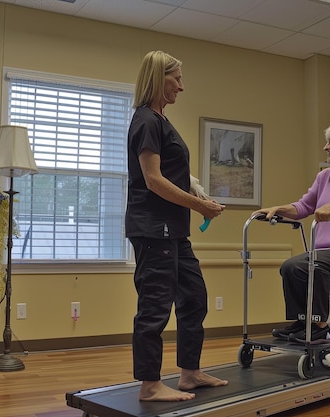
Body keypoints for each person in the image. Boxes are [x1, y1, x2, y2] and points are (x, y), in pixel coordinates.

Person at [125, 50, 228, 402]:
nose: (182, 87)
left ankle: (189, 373)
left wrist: (193, 187)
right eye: (177, 79)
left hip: (173, 230)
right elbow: (152, 180)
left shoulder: (160, 121)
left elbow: (167, 170)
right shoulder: (146, 120)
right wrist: (199, 205)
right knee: (155, 307)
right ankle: (150, 385)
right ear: (158, 78)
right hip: (154, 229)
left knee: (194, 297)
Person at [253, 122, 330, 343]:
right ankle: (302, 322)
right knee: (290, 266)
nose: (325, 147)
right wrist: (278, 209)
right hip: (326, 250)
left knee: (313, 264)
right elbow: (304, 207)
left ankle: (319, 327)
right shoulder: (324, 177)